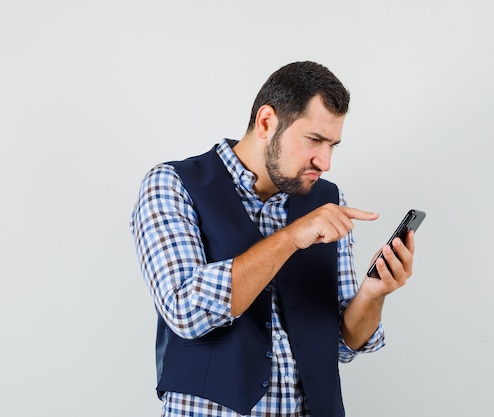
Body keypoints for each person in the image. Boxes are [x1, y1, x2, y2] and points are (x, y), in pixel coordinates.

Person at [130, 61, 415, 417]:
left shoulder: (327, 199)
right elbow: (185, 311)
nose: (324, 161)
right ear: (267, 122)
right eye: (314, 140)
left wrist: (374, 293)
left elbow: (342, 344)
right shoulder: (172, 184)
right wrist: (292, 237)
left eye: (333, 145)